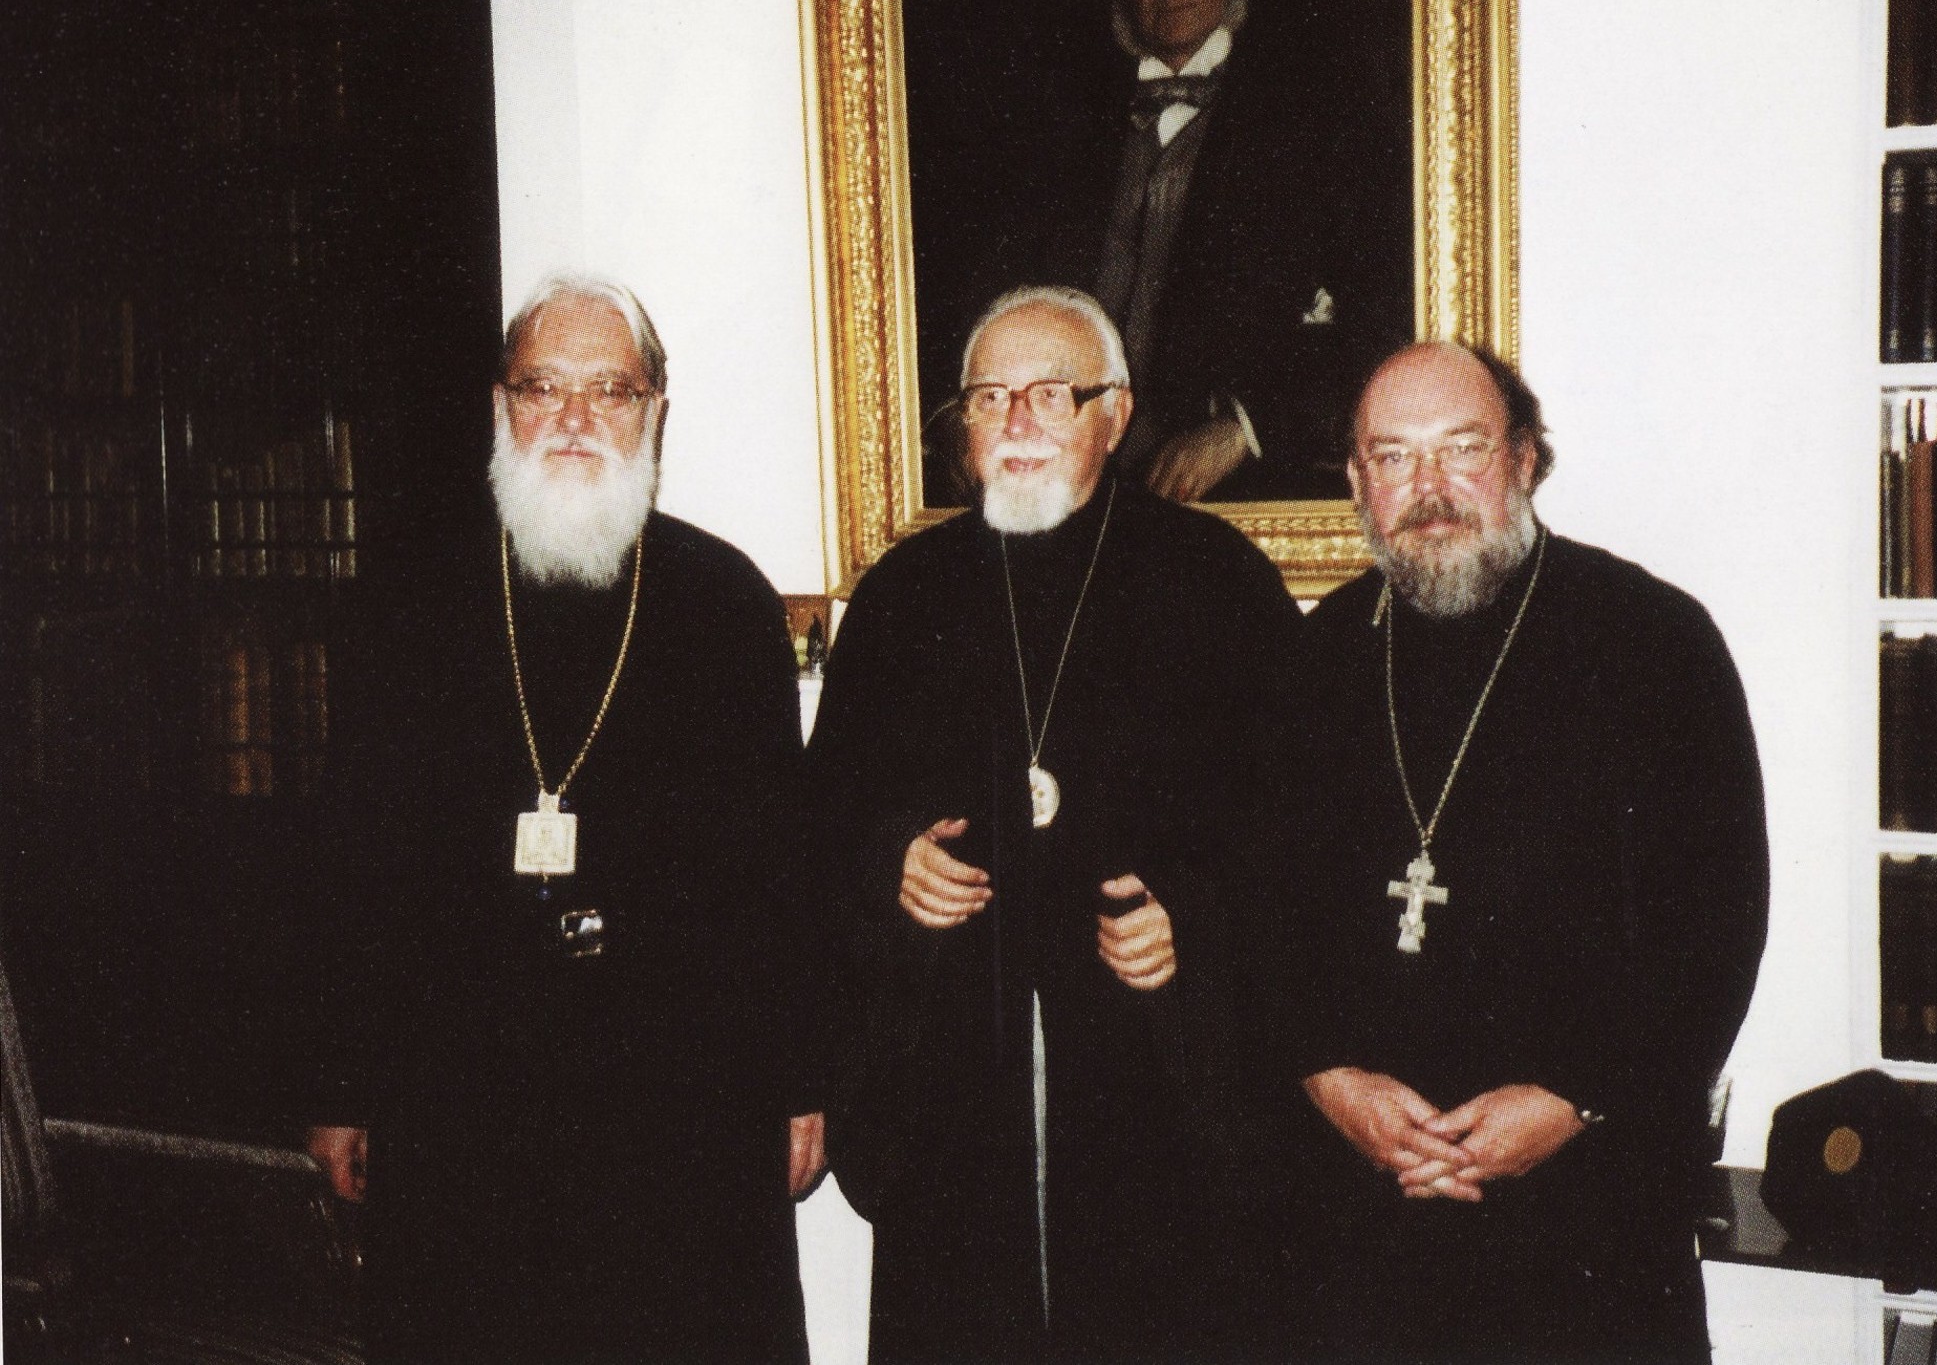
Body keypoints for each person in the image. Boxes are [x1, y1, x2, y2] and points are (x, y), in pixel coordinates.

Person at [303, 276, 823, 1364]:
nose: (577, 417)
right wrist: (338, 1085)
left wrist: (798, 1083)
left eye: (610, 390)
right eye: (544, 387)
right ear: (501, 405)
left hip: (680, 1094)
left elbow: (781, 878)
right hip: (461, 1085)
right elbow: (352, 865)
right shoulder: (410, 599)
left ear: (654, 410)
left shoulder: (724, 603)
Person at [807, 285, 1300, 1362]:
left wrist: (1192, 918)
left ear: (1114, 416)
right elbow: (821, 818)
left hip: (1157, 1074)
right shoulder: (902, 593)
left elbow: (1294, 829)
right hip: (950, 1067)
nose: (1018, 420)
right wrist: (891, 861)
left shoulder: (1217, 583)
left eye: (1050, 394)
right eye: (990, 397)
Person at [1253, 342, 1769, 1363]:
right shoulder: (1314, 660)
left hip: (1584, 1214)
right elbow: (1258, 911)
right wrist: (1325, 1078)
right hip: (1355, 1214)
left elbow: (1715, 922)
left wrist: (1577, 1096)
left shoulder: (1652, 642)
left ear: (1524, 459)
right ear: (1356, 480)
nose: (1428, 487)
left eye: (1462, 449)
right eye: (1392, 457)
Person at [907, 0, 1411, 504]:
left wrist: (1246, 428)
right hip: (1053, 482)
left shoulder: (1314, 119)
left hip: (1225, 494)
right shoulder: (1057, 116)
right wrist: (956, 419)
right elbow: (970, 291)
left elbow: (1385, 317)